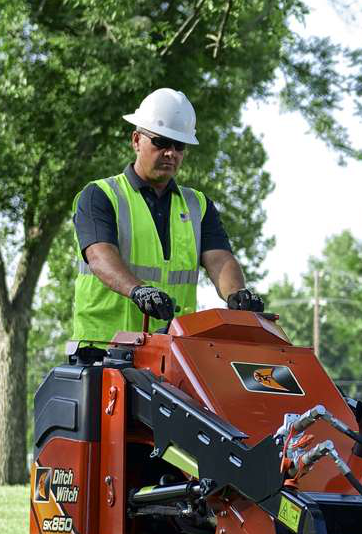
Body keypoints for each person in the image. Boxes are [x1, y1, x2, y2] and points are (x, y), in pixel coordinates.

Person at [71, 87, 265, 343]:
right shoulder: (101, 195)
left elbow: (219, 260)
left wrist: (236, 294)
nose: (170, 152)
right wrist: (138, 290)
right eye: (161, 141)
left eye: (179, 145)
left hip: (171, 348)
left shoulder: (198, 205)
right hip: (105, 349)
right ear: (136, 140)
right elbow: (99, 256)